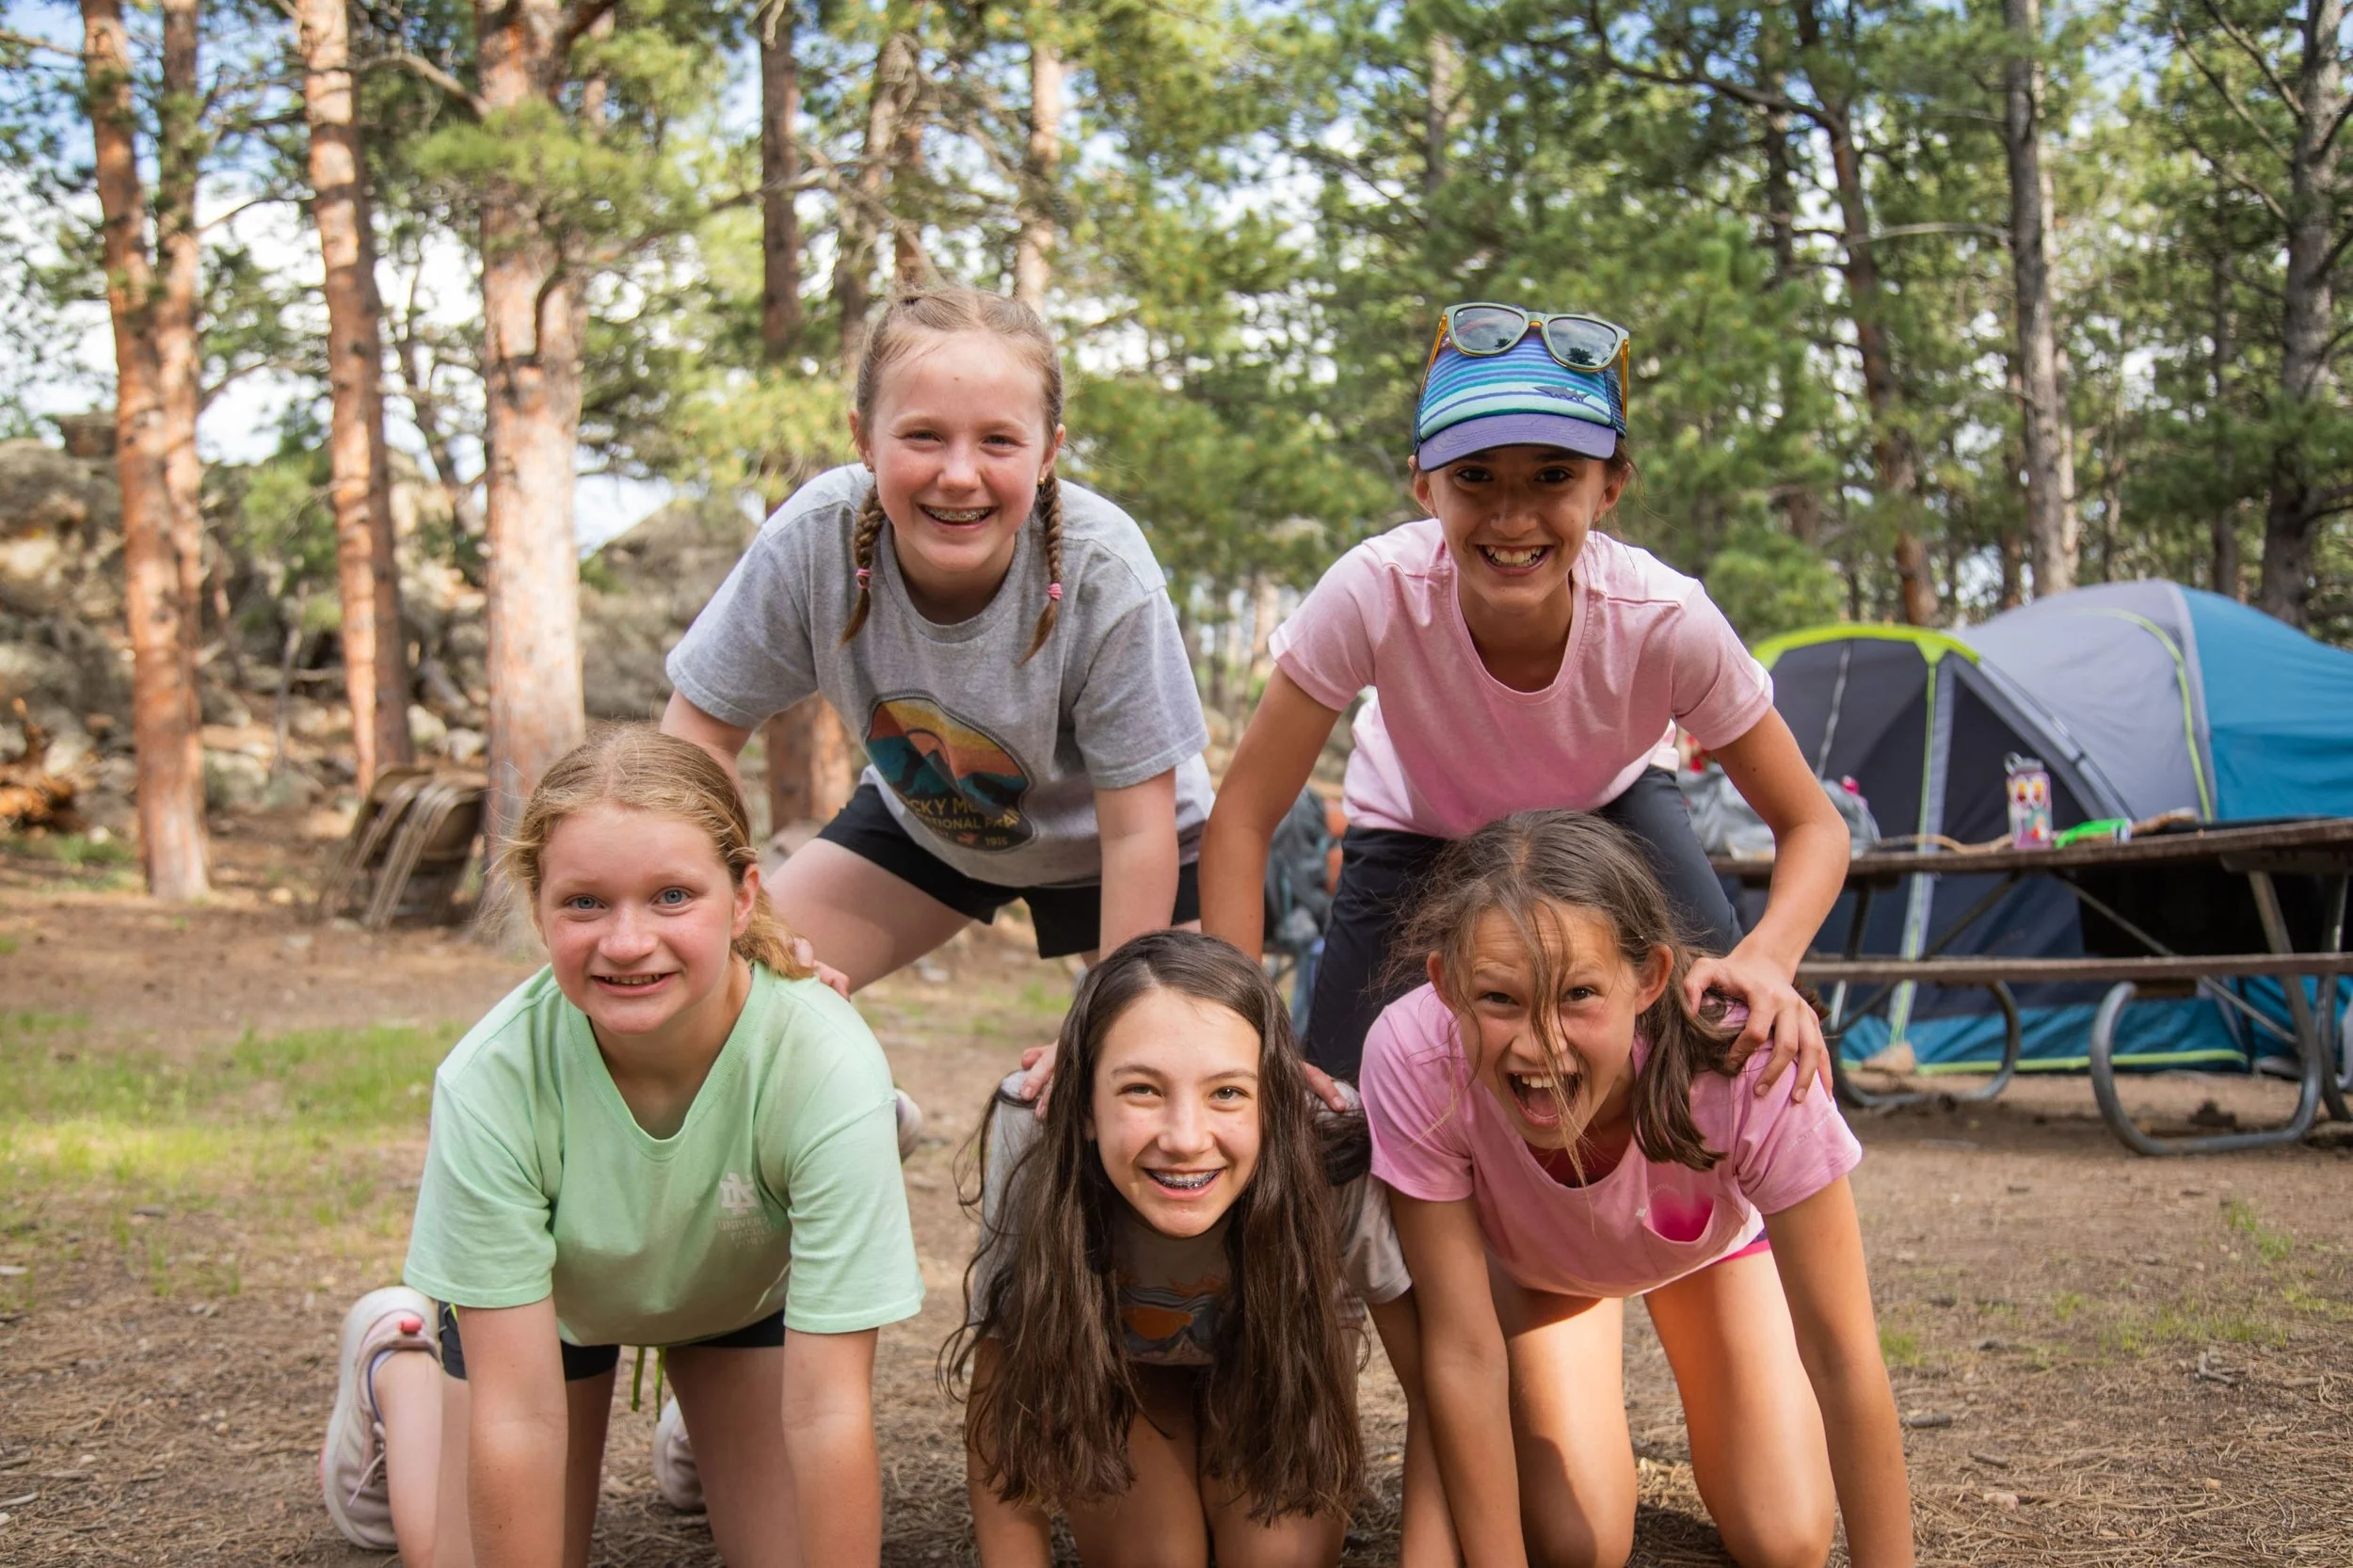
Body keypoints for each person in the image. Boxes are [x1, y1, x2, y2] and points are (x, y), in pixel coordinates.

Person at [1199, 301, 1849, 1090]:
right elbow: (1241, 816)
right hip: (1420, 825)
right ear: (1424, 486)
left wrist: (1769, 960)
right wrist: (1238, 1030)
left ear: (1609, 489)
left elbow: (1814, 824)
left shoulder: (1663, 622)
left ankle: (1717, 1210)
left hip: (1609, 806)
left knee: (1722, 1029)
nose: (1511, 517)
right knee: (1339, 1098)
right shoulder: (1376, 594)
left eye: (1553, 476)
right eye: (1474, 477)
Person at [315, 727, 923, 1568]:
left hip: (734, 1295)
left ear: (744, 897)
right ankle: (399, 1366)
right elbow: (517, 1419)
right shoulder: (491, 1079)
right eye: (585, 903)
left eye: (673, 896)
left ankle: (709, 1422)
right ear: (538, 908)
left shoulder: (825, 1062)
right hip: (546, 1315)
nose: (628, 942)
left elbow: (829, 1416)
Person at [1363, 810, 1913, 1568]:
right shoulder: (1415, 1054)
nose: (1540, 1044)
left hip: (1706, 1248)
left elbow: (1846, 1357)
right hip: (1542, 1268)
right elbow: (1461, 1351)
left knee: (1785, 1540)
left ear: (1649, 979)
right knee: (1574, 1544)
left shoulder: (1751, 1059)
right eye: (1499, 1000)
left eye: (1579, 994)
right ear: (1447, 987)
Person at [661, 285, 1211, 995]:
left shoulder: (1104, 571)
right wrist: (740, 910)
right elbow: (694, 740)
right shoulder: (813, 542)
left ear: (1049, 451)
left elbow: (1139, 834)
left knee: (1157, 1074)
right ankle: (868, 1111)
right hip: (932, 828)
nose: (958, 474)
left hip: (1135, 847)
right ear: (863, 438)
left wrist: (1109, 1027)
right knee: (733, 986)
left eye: (999, 441)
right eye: (923, 436)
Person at [952, 930, 1454, 1568]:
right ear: (1082, 1104)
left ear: (1274, 1103)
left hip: (1274, 1370)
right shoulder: (1033, 1125)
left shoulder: (1328, 1144)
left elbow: (1434, 1385)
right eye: (1141, 1090)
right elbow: (999, 1403)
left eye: (1227, 1092)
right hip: (1123, 1378)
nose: (1186, 1139)